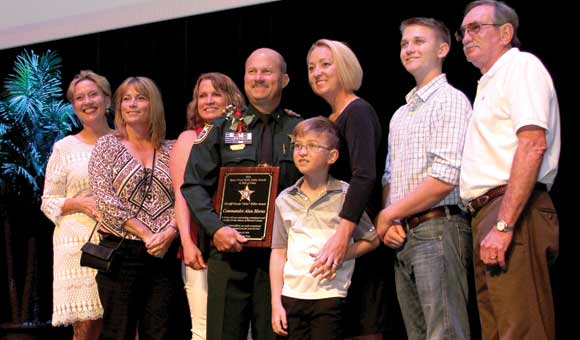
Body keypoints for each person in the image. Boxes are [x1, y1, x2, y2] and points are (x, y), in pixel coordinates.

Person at [181, 48, 302, 340]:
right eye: (252, 72)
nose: (258, 78)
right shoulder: (221, 127)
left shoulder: (299, 129)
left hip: (280, 256)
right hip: (229, 253)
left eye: (267, 71)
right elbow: (192, 184)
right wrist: (216, 229)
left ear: (284, 79)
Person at [456, 1, 561, 339]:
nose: (466, 37)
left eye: (476, 28)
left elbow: (532, 144)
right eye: (463, 31)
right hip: (486, 213)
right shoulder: (488, 83)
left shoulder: (521, 66)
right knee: (497, 331)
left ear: (505, 33)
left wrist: (503, 224)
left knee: (521, 330)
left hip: (513, 208)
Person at [376, 18, 472, 340]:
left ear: (443, 49)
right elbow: (389, 175)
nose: (409, 48)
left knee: (444, 332)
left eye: (419, 41)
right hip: (405, 234)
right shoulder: (400, 114)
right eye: (404, 43)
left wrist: (389, 214)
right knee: (418, 334)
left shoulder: (451, 100)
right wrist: (390, 220)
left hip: (439, 229)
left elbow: (445, 177)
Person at [306, 39, 388, 339]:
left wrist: (342, 234)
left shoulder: (358, 111)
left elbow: (364, 175)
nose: (317, 72)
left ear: (344, 67)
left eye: (326, 64)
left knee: (364, 326)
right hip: (336, 239)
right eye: (312, 67)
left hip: (359, 236)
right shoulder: (328, 120)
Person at [270, 117, 379, 340]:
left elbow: (372, 239)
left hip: (330, 295)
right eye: (298, 145)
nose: (302, 152)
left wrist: (339, 255)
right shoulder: (285, 199)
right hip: (291, 296)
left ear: (332, 156)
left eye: (312, 146)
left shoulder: (346, 195)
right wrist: (275, 302)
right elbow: (279, 251)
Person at [88, 76, 180, 340]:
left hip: (164, 254)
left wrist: (170, 232)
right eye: (126, 99)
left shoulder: (171, 149)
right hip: (121, 252)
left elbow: (184, 197)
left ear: (154, 105)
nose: (132, 104)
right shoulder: (107, 145)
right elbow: (105, 199)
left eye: (140, 97)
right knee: (118, 332)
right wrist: (146, 234)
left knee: (161, 332)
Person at [169, 72, 246, 340]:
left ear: (231, 98)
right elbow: (182, 195)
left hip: (242, 240)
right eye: (203, 95)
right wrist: (188, 244)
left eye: (216, 93)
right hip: (200, 242)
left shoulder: (244, 133)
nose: (209, 100)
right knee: (203, 331)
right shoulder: (189, 138)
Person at [41, 70, 111, 340]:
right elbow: (49, 202)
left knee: (126, 322)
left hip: (121, 241)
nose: (87, 101)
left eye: (93, 94)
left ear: (107, 99)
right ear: (73, 106)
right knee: (87, 329)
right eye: (79, 97)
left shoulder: (124, 142)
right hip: (78, 247)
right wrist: (82, 204)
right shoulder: (64, 148)